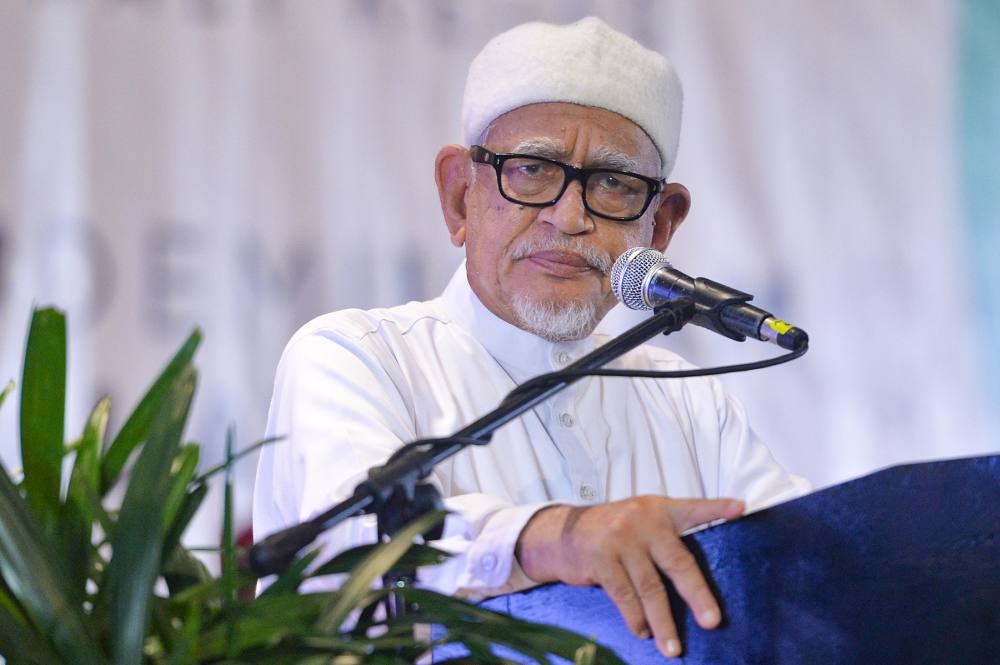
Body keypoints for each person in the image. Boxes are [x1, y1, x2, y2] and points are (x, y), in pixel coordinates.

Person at [253, 16, 809, 659]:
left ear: (659, 228)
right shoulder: (359, 357)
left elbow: (804, 574)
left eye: (614, 185)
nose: (569, 216)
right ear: (460, 196)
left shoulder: (692, 407)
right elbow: (354, 550)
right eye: (532, 170)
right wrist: (557, 539)